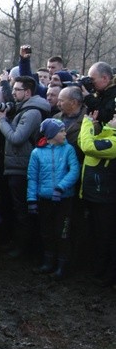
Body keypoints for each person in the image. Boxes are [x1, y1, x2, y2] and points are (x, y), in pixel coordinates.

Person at [0, 75, 51, 258]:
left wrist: (2, 120)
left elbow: (17, 138)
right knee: (16, 208)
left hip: (23, 167)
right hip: (16, 165)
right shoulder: (24, 108)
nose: (13, 93)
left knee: (23, 210)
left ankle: (24, 249)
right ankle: (19, 244)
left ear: (27, 92)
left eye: (16, 90)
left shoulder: (32, 112)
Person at [27, 118, 80, 280]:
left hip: (64, 200)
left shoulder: (68, 149)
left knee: (62, 232)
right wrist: (31, 200)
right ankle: (48, 262)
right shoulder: (37, 152)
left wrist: (61, 187)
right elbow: (32, 177)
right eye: (61, 131)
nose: (65, 133)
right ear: (51, 134)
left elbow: (75, 170)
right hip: (45, 199)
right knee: (47, 232)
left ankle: (62, 266)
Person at [78, 110, 116, 288]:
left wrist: (86, 123)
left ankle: (108, 275)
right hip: (94, 195)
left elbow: (89, 147)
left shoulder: (114, 141)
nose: (112, 118)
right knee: (97, 235)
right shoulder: (106, 134)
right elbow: (82, 141)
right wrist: (92, 127)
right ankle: (99, 270)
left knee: (106, 237)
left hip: (105, 198)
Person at [83, 61, 116, 126]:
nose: (91, 83)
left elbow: (108, 117)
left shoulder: (113, 94)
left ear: (105, 78)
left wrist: (88, 98)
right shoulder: (101, 92)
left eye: (92, 79)